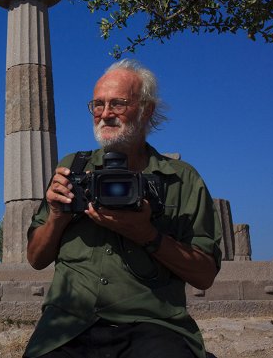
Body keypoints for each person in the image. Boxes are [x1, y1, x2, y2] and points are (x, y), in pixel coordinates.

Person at [24, 59, 221, 358]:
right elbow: (36, 259)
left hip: (153, 324)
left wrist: (148, 236)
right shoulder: (71, 169)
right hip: (67, 325)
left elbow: (204, 275)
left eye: (118, 103)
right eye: (98, 105)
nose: (105, 114)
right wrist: (56, 216)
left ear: (146, 110)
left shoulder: (182, 180)